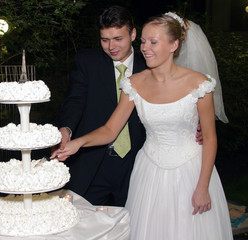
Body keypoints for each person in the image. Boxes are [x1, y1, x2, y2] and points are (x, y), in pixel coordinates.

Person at [52, 12, 233, 240]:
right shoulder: (133, 83)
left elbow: (210, 138)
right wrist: (77, 142)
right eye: (144, 42)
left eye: (153, 42)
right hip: (149, 172)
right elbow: (110, 130)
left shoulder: (199, 84)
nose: (145, 48)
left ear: (174, 45)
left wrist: (202, 186)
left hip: (191, 171)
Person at [52, 5, 147, 207]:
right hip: (93, 160)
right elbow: (75, 100)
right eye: (105, 39)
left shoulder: (149, 66)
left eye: (118, 39)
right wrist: (66, 129)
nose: (111, 46)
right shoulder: (87, 62)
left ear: (133, 34)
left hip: (138, 163)